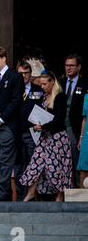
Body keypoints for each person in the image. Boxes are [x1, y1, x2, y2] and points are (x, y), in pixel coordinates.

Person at [20, 71, 73, 202]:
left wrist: (43, 127)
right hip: (44, 138)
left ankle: (60, 196)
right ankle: (31, 192)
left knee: (58, 166)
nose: (42, 87)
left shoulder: (60, 97)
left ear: (52, 82)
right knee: (36, 163)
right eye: (41, 84)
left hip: (57, 138)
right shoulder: (44, 97)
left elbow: (59, 119)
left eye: (44, 84)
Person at [0, 46, 24, 201]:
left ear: (4, 59)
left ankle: (1, 193)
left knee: (5, 160)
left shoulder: (15, 77)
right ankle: (4, 193)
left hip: (8, 126)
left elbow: (16, 102)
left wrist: (1, 119)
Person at [13, 61, 44, 201]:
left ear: (31, 74)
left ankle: (34, 195)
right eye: (21, 73)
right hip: (16, 133)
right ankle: (21, 196)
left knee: (33, 164)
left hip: (32, 132)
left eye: (26, 73)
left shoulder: (38, 90)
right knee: (18, 165)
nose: (24, 76)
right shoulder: (12, 89)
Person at [59, 54, 87, 187]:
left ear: (79, 67)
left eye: (72, 65)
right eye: (66, 65)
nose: (68, 68)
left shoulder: (85, 84)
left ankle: (76, 190)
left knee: (75, 159)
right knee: (61, 161)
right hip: (59, 128)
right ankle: (62, 191)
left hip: (75, 129)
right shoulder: (60, 82)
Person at [77, 93, 88, 187]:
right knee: (83, 165)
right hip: (87, 137)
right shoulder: (87, 96)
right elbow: (84, 119)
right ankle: (81, 198)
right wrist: (81, 137)